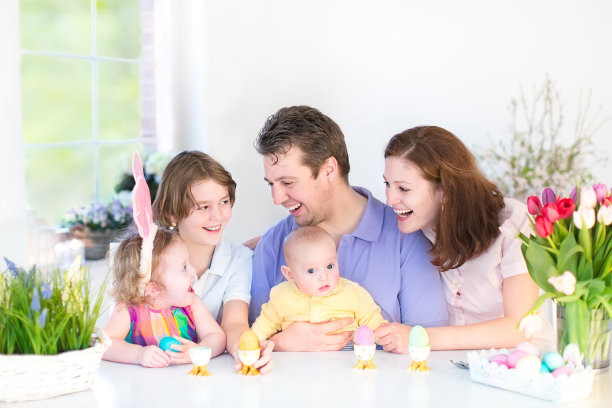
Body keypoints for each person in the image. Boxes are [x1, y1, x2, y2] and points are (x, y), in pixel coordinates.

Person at [250, 105, 448, 352]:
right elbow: (250, 344)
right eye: (271, 184)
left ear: (328, 170)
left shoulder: (405, 238)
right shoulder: (271, 245)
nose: (277, 198)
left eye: (287, 182)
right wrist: (280, 343)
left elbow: (426, 343)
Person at [377, 125, 540, 352]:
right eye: (387, 184)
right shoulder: (413, 232)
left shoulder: (514, 222)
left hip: (523, 367)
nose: (390, 198)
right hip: (453, 370)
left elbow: (519, 327)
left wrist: (419, 338)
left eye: (403, 188)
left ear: (445, 190)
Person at [152, 151, 273, 372]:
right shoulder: (148, 258)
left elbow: (234, 323)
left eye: (224, 202)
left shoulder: (239, 259)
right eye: (203, 207)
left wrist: (246, 351)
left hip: (202, 374)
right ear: (171, 213)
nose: (218, 216)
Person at [103, 229, 226, 367]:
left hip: (186, 382)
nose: (194, 271)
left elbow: (217, 337)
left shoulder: (192, 304)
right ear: (154, 289)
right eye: (184, 267)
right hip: (144, 385)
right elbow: (106, 344)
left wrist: (196, 351)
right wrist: (138, 354)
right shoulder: (128, 310)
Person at [251, 226, 386, 342]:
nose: (324, 277)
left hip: (347, 353)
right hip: (299, 358)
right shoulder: (281, 296)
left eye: (329, 266)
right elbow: (265, 324)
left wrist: (385, 336)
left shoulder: (352, 292)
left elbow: (372, 319)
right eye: (311, 271)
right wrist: (251, 343)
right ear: (290, 275)